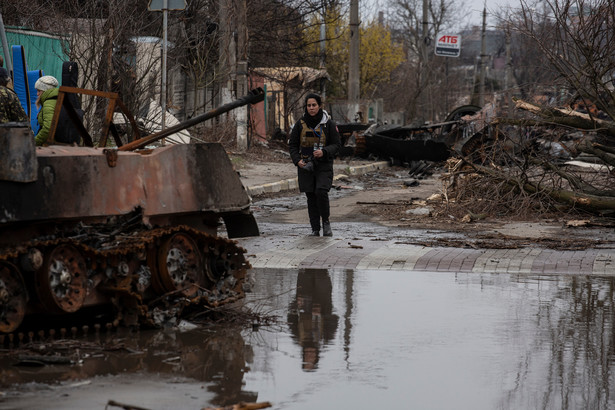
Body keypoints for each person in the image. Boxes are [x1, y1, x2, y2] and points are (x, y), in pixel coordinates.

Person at [289, 93, 341, 236]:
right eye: (309, 105)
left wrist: (324, 152)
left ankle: (326, 222)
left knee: (321, 192)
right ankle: (315, 228)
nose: (311, 108)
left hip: (323, 165)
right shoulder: (300, 124)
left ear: (319, 106)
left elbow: (336, 145)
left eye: (314, 105)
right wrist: (297, 160)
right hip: (305, 165)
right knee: (311, 196)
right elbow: (292, 145)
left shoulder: (329, 124)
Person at [34, 75, 59, 146]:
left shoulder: (48, 104)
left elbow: (48, 128)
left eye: (39, 91)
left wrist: (34, 142)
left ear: (46, 91)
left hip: (52, 146)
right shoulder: (55, 100)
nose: (37, 94)